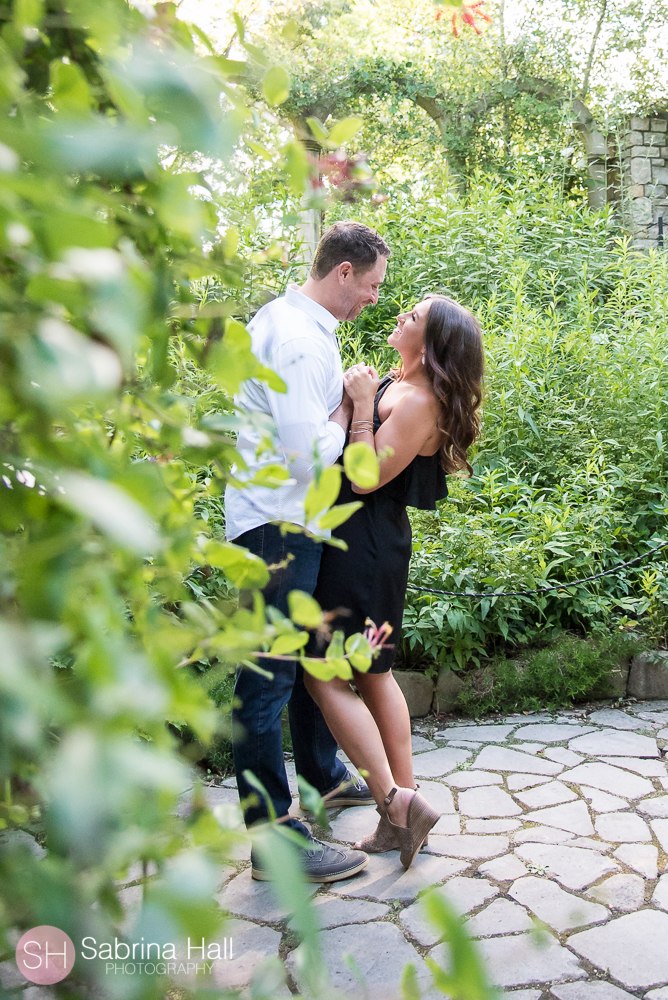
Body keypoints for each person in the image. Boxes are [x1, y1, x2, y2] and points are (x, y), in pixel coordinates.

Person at [225, 221, 391, 882]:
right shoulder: (296, 339)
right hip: (277, 526)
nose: (376, 298)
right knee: (268, 677)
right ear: (343, 272)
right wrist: (354, 408)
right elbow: (303, 457)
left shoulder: (302, 327)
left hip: (294, 523)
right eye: (372, 284)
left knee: (299, 660)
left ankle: (323, 775)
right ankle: (273, 839)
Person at [305, 294, 484, 869]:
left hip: (364, 552)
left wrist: (359, 407)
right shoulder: (396, 383)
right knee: (372, 674)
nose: (401, 315)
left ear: (432, 345)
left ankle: (396, 802)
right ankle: (400, 818)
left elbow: (364, 478)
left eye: (414, 317)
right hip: (362, 547)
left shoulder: (420, 402)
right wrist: (355, 398)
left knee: (326, 674)